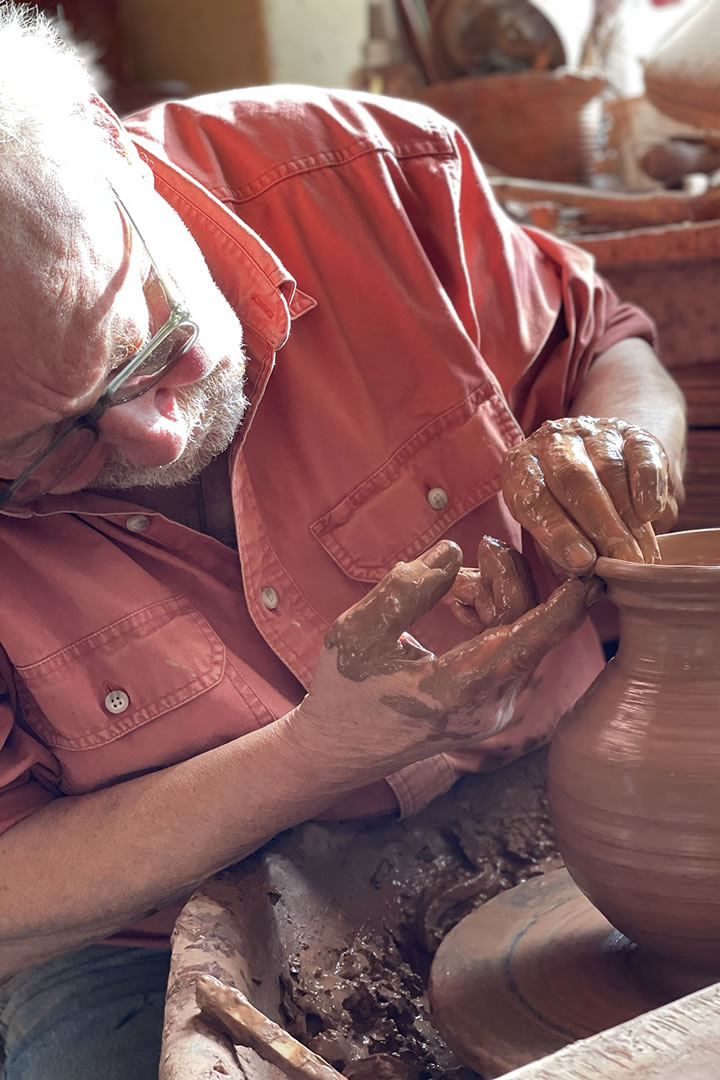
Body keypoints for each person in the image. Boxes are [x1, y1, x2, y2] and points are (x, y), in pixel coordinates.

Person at [0, 6, 686, 1078]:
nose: (153, 438)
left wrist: (614, 447)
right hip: (150, 929)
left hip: (565, 792)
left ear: (112, 148)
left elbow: (608, 347)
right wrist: (311, 757)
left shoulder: (366, 174)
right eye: (44, 447)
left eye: (148, 350)